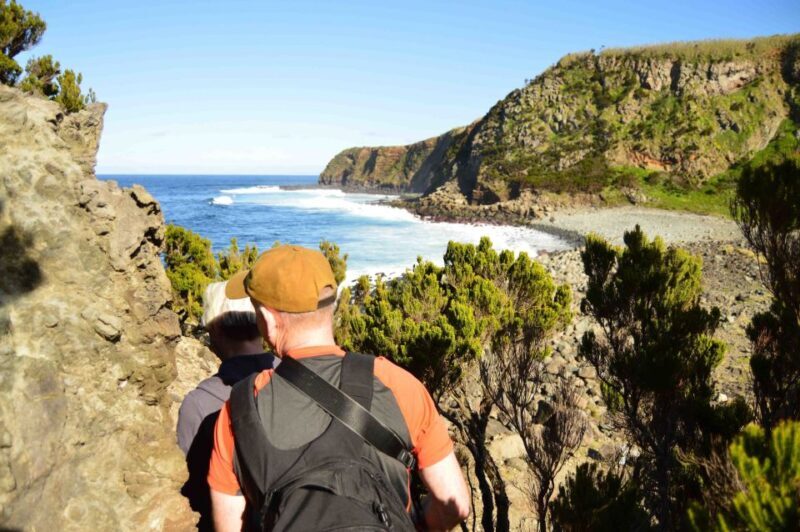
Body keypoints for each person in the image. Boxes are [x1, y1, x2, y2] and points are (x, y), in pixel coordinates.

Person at [208, 245, 471, 531]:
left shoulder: (242, 410)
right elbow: (454, 502)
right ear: (332, 306)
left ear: (268, 321)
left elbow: (229, 526)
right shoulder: (398, 384)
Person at [177, 282, 276, 531]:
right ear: (262, 323)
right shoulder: (298, 378)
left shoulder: (199, 404)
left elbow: (193, 496)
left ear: (214, 329)